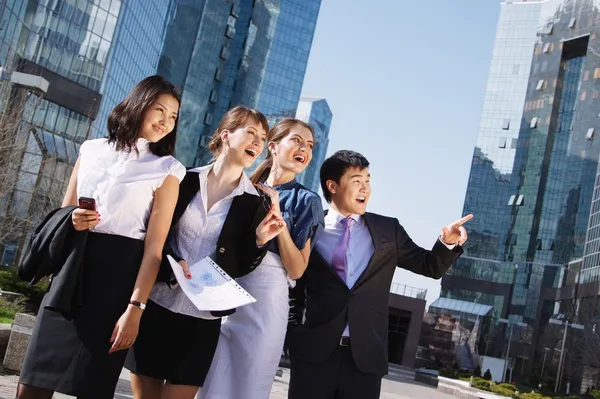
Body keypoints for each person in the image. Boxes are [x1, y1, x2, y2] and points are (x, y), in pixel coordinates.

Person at [16, 75, 186, 399]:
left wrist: (135, 308)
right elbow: (62, 213)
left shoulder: (168, 170)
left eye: (173, 116)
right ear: (139, 104)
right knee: (31, 385)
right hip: (70, 274)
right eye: (159, 110)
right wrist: (74, 219)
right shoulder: (90, 150)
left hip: (118, 287)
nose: (166, 121)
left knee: (93, 389)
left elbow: (154, 249)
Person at [124, 106, 286, 399]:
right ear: (226, 135)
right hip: (158, 305)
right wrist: (174, 258)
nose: (257, 143)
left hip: (202, 320)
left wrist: (259, 241)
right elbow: (156, 235)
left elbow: (238, 267)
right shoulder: (182, 180)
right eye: (250, 133)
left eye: (262, 138)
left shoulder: (255, 203)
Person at [286, 150, 472, 399]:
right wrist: (292, 337)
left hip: (364, 362)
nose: (365, 188)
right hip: (313, 356)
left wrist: (446, 243)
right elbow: (293, 290)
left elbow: (430, 266)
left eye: (367, 180)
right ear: (332, 186)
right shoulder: (309, 228)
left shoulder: (388, 231)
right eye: (356, 181)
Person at [198, 119, 324, 399]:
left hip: (267, 304)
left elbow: (297, 269)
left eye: (310, 145)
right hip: (225, 292)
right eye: (297, 140)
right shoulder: (244, 187)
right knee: (212, 382)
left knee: (250, 386)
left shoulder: (307, 201)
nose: (305, 148)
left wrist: (278, 222)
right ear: (274, 146)